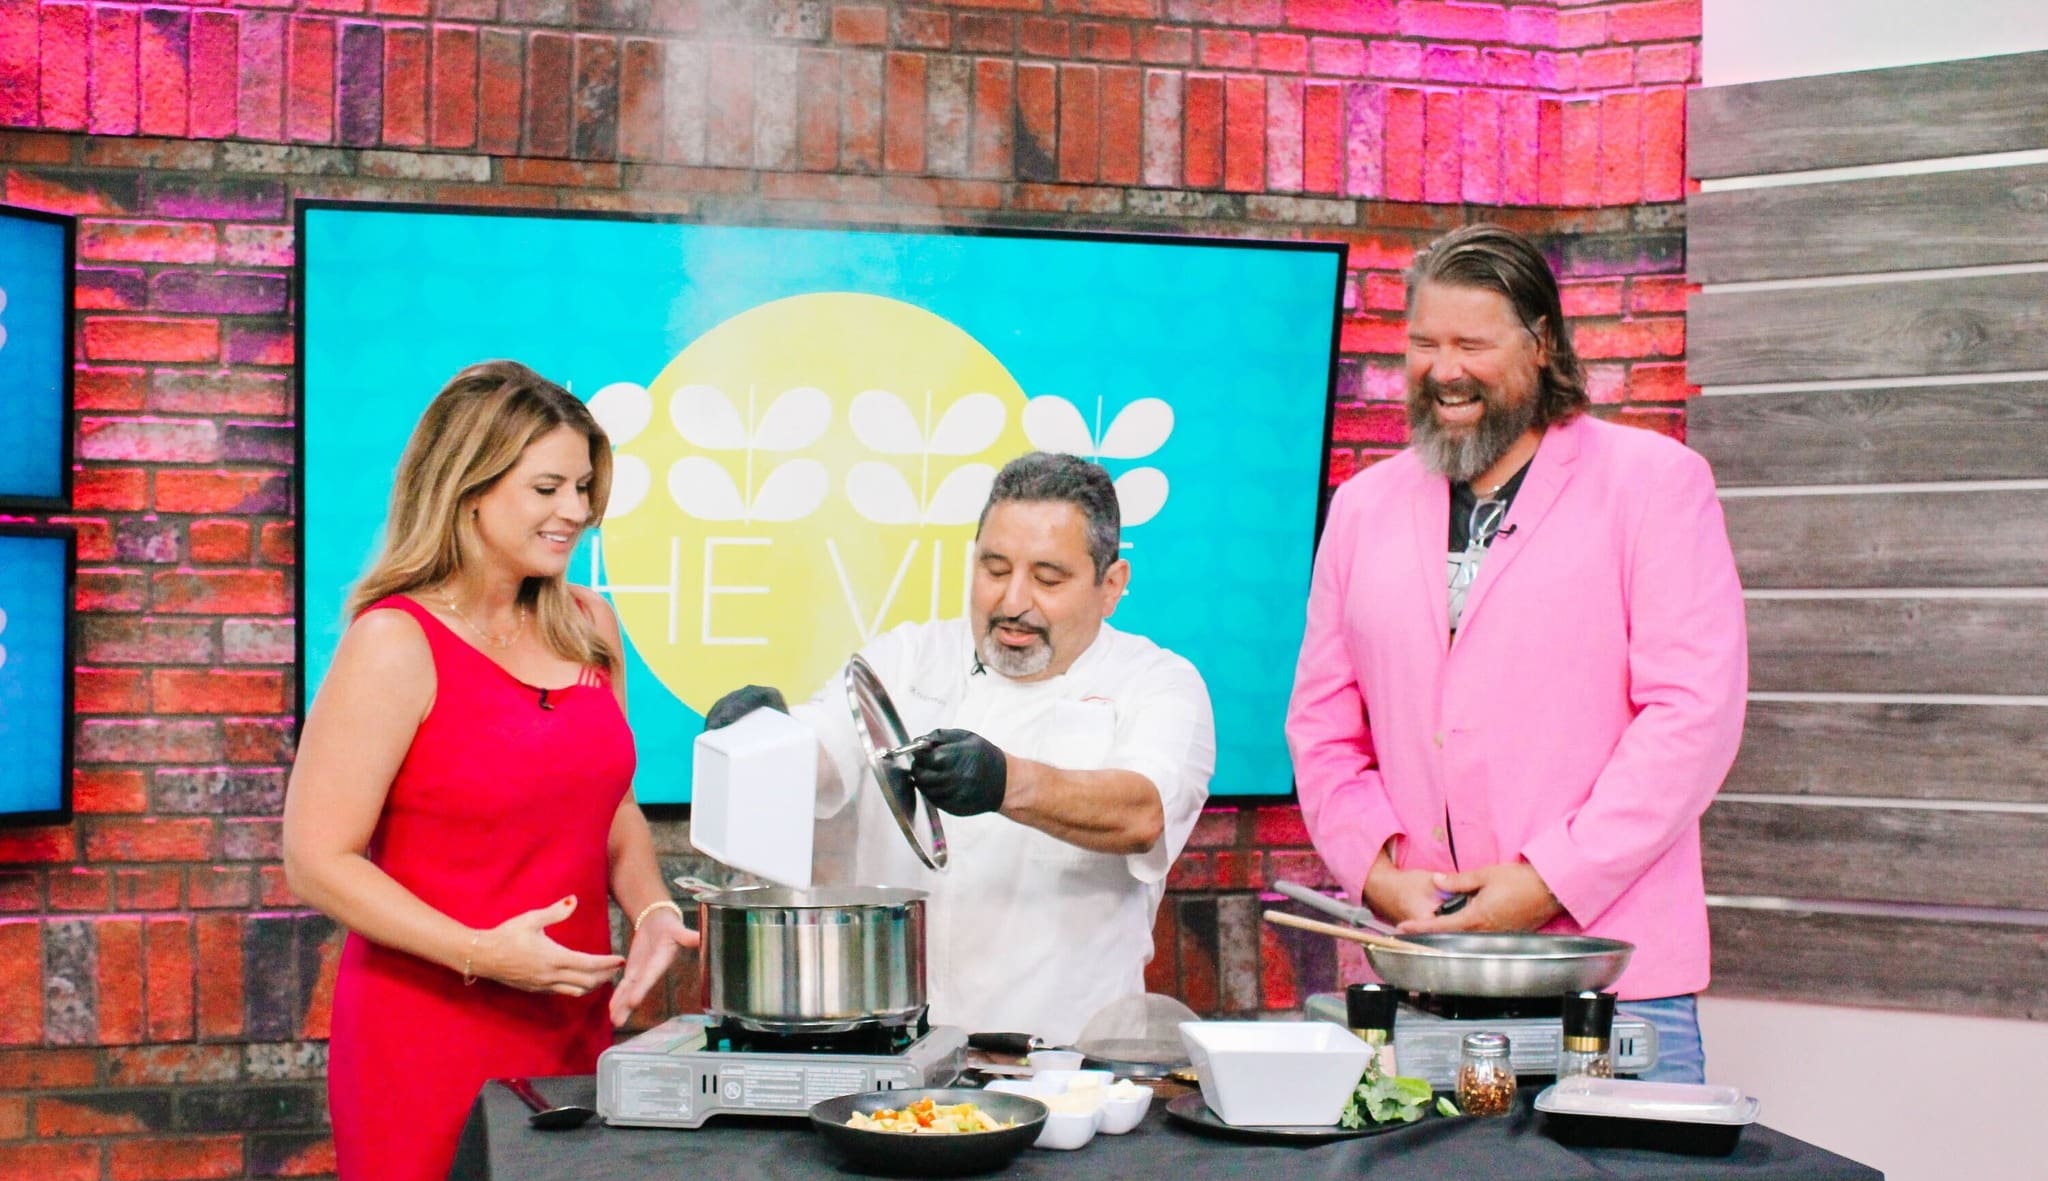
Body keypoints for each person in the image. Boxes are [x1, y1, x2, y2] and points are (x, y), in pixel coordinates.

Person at [281, 361, 696, 1181]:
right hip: (428, 1035)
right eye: (547, 490)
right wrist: (480, 952)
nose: (577, 512)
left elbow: (610, 812)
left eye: (584, 487)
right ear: (466, 489)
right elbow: (315, 857)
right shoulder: (396, 642)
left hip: (569, 1020)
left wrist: (647, 912)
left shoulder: (591, 626)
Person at [1285, 224, 1747, 1083]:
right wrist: (1378, 871)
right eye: (1423, 343)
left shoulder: (1656, 484)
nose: (1443, 369)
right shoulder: (1363, 508)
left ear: (1540, 345)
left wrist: (1548, 880)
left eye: (1471, 343)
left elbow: (1692, 717)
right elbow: (1322, 726)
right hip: (1419, 978)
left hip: (1612, 985)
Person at [705, 452, 1216, 1044]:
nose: (1013, 601)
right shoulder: (909, 657)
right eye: (994, 569)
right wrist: (767, 734)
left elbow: (1141, 813)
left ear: (1111, 586)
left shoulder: (1158, 682)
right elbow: (826, 747)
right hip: (895, 1053)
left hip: (1063, 1061)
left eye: (1048, 579)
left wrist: (1004, 781)